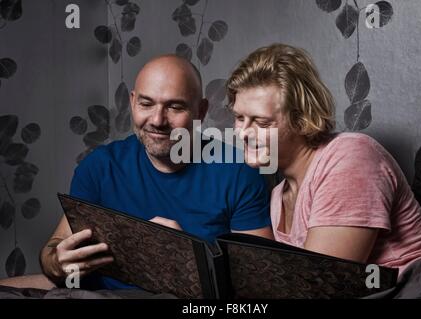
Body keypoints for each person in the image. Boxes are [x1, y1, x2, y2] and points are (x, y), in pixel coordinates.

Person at [36, 55, 273, 290]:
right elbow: (54, 249)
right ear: (132, 102)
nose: (158, 120)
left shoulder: (238, 172)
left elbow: (257, 284)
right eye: (146, 104)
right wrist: (56, 262)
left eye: (174, 106)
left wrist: (188, 257)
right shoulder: (99, 166)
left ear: (200, 110)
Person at [226, 43, 421, 284]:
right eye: (239, 118)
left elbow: (321, 285)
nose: (243, 132)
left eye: (261, 122)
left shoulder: (350, 156)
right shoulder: (280, 195)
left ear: (301, 120)